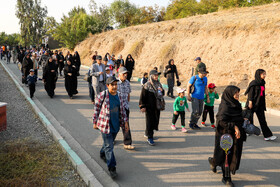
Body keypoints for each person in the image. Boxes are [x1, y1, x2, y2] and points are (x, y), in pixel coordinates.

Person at [208, 85, 246, 187]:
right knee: (226, 155)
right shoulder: (225, 106)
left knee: (232, 155)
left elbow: (238, 117)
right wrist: (234, 127)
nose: (238, 95)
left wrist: (244, 120)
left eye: (238, 92)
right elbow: (221, 121)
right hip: (225, 135)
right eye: (235, 93)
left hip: (236, 136)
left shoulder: (236, 104)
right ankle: (226, 178)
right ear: (229, 94)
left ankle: (213, 162)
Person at [93, 76, 128, 179]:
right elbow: (96, 109)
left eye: (116, 84)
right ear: (107, 86)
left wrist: (125, 122)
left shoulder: (120, 96)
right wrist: (95, 122)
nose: (114, 87)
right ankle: (112, 168)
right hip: (105, 125)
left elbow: (122, 110)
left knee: (108, 144)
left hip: (115, 125)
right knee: (109, 146)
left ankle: (102, 152)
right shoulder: (102, 95)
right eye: (112, 85)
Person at [244, 69, 277, 141]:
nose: (265, 76)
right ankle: (248, 131)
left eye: (265, 74)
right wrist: (250, 102)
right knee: (249, 118)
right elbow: (250, 93)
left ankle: (267, 136)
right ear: (259, 74)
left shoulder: (262, 82)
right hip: (252, 103)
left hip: (260, 104)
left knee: (262, 120)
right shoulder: (254, 83)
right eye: (263, 74)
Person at [139, 70, 165, 146]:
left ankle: (147, 133)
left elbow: (162, 94)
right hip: (149, 107)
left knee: (155, 120)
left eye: (157, 75)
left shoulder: (159, 84)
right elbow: (142, 96)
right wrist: (142, 106)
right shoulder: (147, 85)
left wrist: (162, 91)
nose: (156, 77)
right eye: (155, 75)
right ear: (151, 76)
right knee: (149, 121)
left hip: (157, 106)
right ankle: (150, 137)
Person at [117, 67, 135, 150]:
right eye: (123, 74)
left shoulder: (127, 82)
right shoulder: (115, 83)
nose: (125, 75)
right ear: (119, 74)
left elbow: (128, 94)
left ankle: (127, 143)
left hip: (125, 107)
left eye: (126, 73)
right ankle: (109, 139)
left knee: (126, 124)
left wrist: (127, 104)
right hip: (116, 108)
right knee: (113, 125)